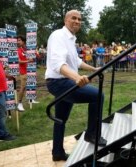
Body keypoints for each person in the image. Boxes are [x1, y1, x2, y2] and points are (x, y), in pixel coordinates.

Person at [45, 9, 107, 161]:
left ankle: (57, 152)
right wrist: (77, 78)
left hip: (62, 82)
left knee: (60, 119)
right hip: (59, 82)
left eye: (80, 19)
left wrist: (94, 69)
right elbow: (58, 64)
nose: (77, 21)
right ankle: (92, 134)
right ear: (66, 20)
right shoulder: (58, 35)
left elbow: (76, 62)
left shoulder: (71, 39)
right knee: (98, 96)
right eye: (74, 18)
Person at [17, 35, 38, 111]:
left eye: (19, 40)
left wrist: (35, 52)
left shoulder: (28, 50)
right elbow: (18, 61)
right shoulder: (18, 50)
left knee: (31, 85)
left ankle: (31, 99)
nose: (18, 42)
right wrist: (28, 61)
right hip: (23, 71)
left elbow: (37, 56)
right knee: (23, 87)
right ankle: (19, 103)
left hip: (31, 70)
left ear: (23, 41)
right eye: (17, 40)